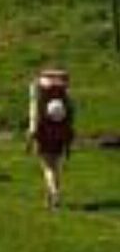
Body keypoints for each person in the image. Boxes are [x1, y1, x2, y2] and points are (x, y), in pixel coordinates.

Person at [27, 69, 74, 210]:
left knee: (47, 167)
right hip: (61, 133)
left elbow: (34, 115)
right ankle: (50, 199)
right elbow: (71, 114)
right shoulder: (63, 94)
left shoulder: (40, 94)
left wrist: (31, 135)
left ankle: (54, 193)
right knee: (56, 167)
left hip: (44, 133)